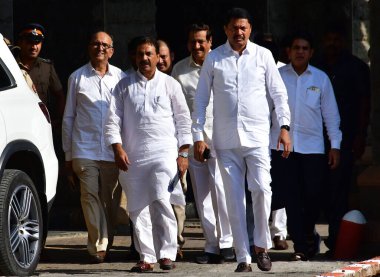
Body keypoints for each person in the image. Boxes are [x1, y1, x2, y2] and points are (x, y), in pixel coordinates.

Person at [192, 7, 291, 272]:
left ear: (250, 29)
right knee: (233, 199)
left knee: (261, 189)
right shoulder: (214, 58)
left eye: (243, 27)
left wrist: (284, 126)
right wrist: (197, 135)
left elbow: (278, 94)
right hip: (225, 141)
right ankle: (243, 257)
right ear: (226, 30)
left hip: (258, 137)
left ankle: (262, 246)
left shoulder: (263, 55)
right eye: (234, 27)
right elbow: (201, 100)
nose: (239, 32)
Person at [105, 36, 192, 273]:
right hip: (132, 157)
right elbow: (112, 120)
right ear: (134, 57)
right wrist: (117, 147)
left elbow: (184, 120)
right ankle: (147, 257)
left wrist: (184, 152)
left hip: (163, 154)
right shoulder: (123, 86)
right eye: (140, 54)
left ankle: (166, 254)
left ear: (157, 57)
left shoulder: (170, 84)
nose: (144, 58)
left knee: (162, 201)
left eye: (149, 54)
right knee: (137, 208)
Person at [270, 30, 342, 261]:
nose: (300, 52)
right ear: (288, 52)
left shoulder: (320, 78)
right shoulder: (276, 76)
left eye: (304, 48)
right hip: (283, 148)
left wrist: (335, 145)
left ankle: (309, 234)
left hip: (313, 147)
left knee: (312, 196)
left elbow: (331, 115)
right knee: (291, 197)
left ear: (311, 52)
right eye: (296, 48)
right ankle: (300, 246)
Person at [171, 22, 235, 264]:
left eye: (202, 41)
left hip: (222, 140)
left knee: (223, 192)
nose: (197, 46)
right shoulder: (179, 70)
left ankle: (227, 243)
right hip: (194, 141)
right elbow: (178, 111)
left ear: (210, 42)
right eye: (193, 42)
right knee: (203, 198)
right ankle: (211, 245)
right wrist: (185, 145)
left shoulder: (222, 63)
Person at [62, 31, 126, 263]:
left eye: (104, 45)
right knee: (89, 196)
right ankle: (98, 244)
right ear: (89, 48)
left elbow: (126, 117)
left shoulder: (121, 78)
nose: (100, 48)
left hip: (112, 149)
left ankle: (106, 240)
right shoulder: (77, 77)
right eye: (96, 44)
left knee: (109, 201)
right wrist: (68, 155)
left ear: (112, 50)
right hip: (84, 148)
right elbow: (69, 117)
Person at [313, 24, 371, 257]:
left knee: (340, 191)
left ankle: (338, 242)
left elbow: (364, 105)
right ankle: (312, 241)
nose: (332, 44)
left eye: (337, 39)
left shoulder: (356, 68)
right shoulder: (314, 66)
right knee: (319, 192)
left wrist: (360, 136)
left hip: (345, 140)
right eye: (328, 38)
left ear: (345, 41)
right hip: (316, 141)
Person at [245, 33, 289, 252]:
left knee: (276, 188)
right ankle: (254, 236)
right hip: (255, 138)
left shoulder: (283, 71)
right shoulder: (249, 68)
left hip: (277, 139)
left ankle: (279, 231)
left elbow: (283, 103)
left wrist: (285, 129)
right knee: (256, 188)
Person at [156, 38, 187, 259]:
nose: (159, 61)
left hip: (179, 149)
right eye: (156, 56)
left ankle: (176, 242)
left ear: (171, 57)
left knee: (176, 199)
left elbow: (183, 119)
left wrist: (183, 152)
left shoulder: (175, 80)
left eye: (163, 56)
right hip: (153, 152)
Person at [16, 23, 66, 162]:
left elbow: (60, 95)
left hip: (42, 124)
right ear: (20, 42)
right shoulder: (12, 65)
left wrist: (58, 121)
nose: (34, 47)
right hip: (18, 122)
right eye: (29, 42)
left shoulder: (46, 66)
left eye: (37, 42)